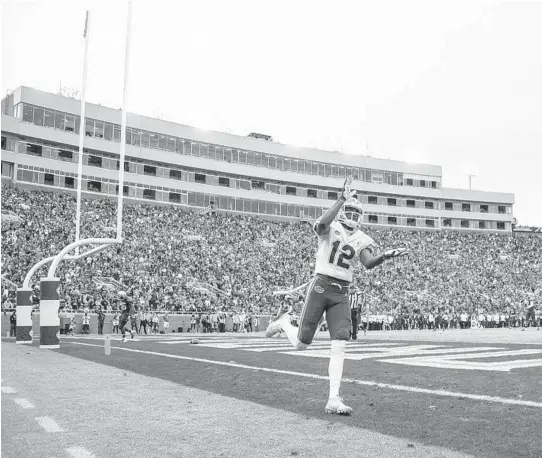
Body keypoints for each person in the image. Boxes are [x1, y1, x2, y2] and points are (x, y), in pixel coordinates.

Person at [265, 177, 408, 415]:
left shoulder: (363, 238)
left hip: (342, 291)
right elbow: (321, 226)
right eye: (348, 210)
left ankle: (333, 398)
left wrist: (386, 256)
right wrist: (342, 198)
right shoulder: (332, 227)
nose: (352, 216)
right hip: (321, 285)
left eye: (355, 212)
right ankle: (284, 323)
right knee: (301, 343)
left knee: (340, 343)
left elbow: (368, 263)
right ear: (343, 210)